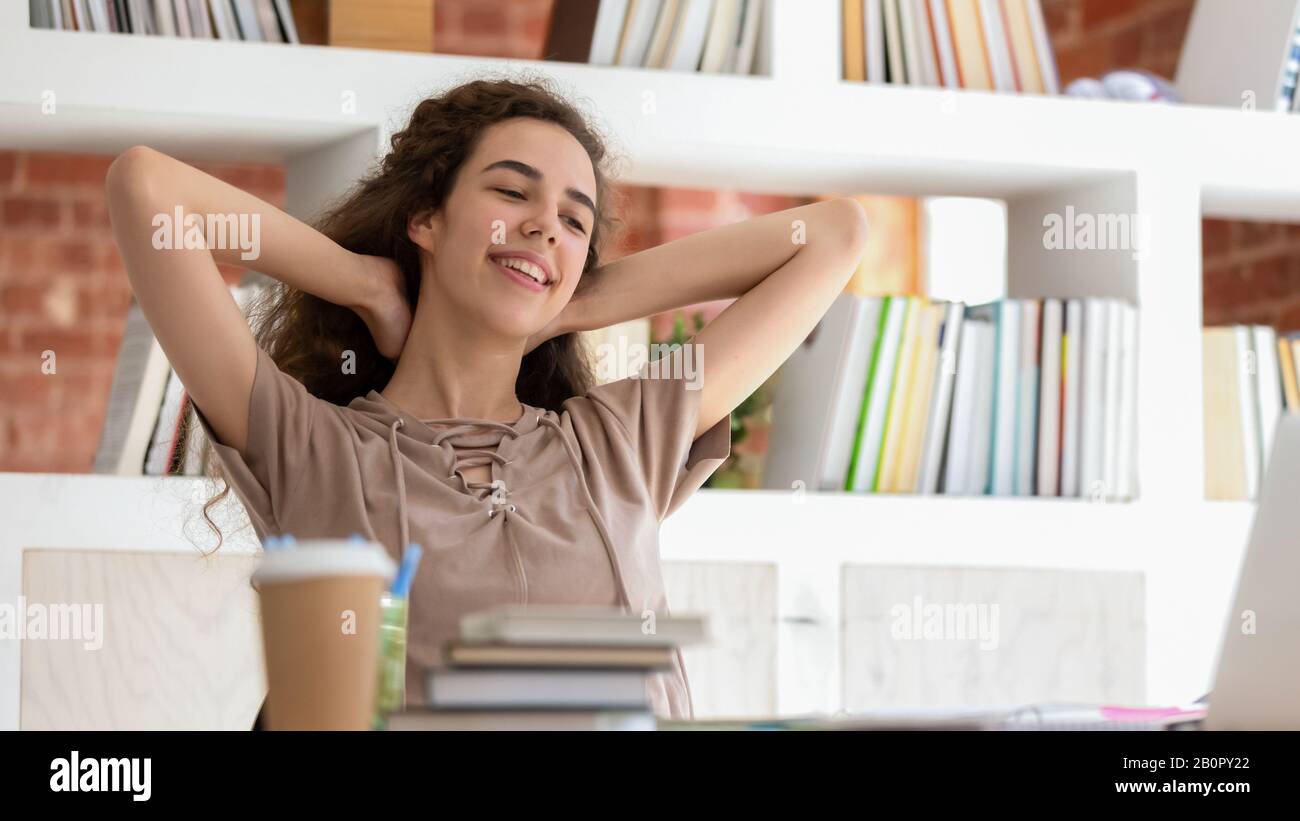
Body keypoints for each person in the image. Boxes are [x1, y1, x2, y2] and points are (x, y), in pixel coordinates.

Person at [105, 75, 868, 726]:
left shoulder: (619, 440)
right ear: (427, 218)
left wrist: (571, 301)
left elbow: (833, 235)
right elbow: (147, 188)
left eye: (575, 219)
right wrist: (362, 278)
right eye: (512, 191)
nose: (545, 225)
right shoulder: (314, 446)